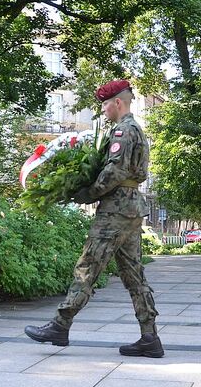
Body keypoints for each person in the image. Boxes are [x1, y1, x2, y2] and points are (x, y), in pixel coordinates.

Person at [24, 79, 162, 357]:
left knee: (87, 266)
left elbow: (113, 172)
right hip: (131, 209)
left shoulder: (123, 131)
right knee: (134, 275)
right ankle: (150, 338)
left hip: (116, 211)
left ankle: (60, 325)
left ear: (117, 103)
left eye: (105, 105)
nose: (103, 110)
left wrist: (88, 192)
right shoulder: (135, 130)